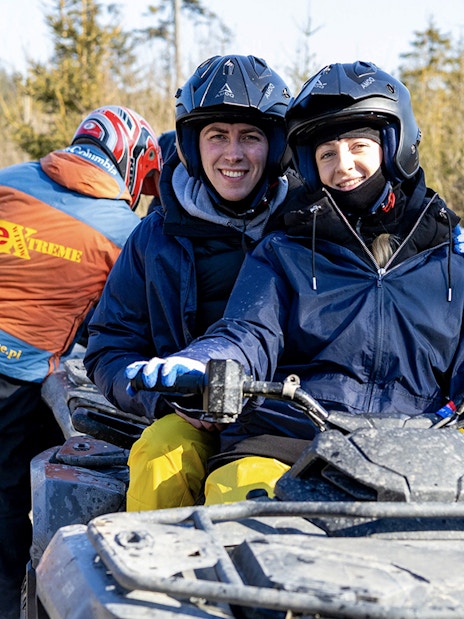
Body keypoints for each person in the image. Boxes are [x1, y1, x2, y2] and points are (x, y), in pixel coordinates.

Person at [125, 60, 464, 506]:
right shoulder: (285, 248)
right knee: (235, 495)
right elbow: (249, 331)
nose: (344, 166)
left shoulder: (449, 255)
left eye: (359, 146)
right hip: (293, 434)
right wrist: (205, 360)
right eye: (327, 154)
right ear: (309, 164)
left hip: (417, 444)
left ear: (394, 145)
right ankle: (160, 574)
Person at [83, 54, 297, 512]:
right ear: (191, 146)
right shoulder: (155, 237)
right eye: (217, 136)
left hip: (284, 414)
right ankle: (150, 580)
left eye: (251, 137)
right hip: (188, 417)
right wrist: (164, 397)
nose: (233, 154)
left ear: (277, 146)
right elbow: (108, 345)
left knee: (249, 493)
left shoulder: (307, 227)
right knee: (160, 458)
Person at [0, 104, 161, 619]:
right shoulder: (125, 232)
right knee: (10, 508)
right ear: (131, 162)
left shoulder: (8, 182)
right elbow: (115, 325)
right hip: (23, 385)